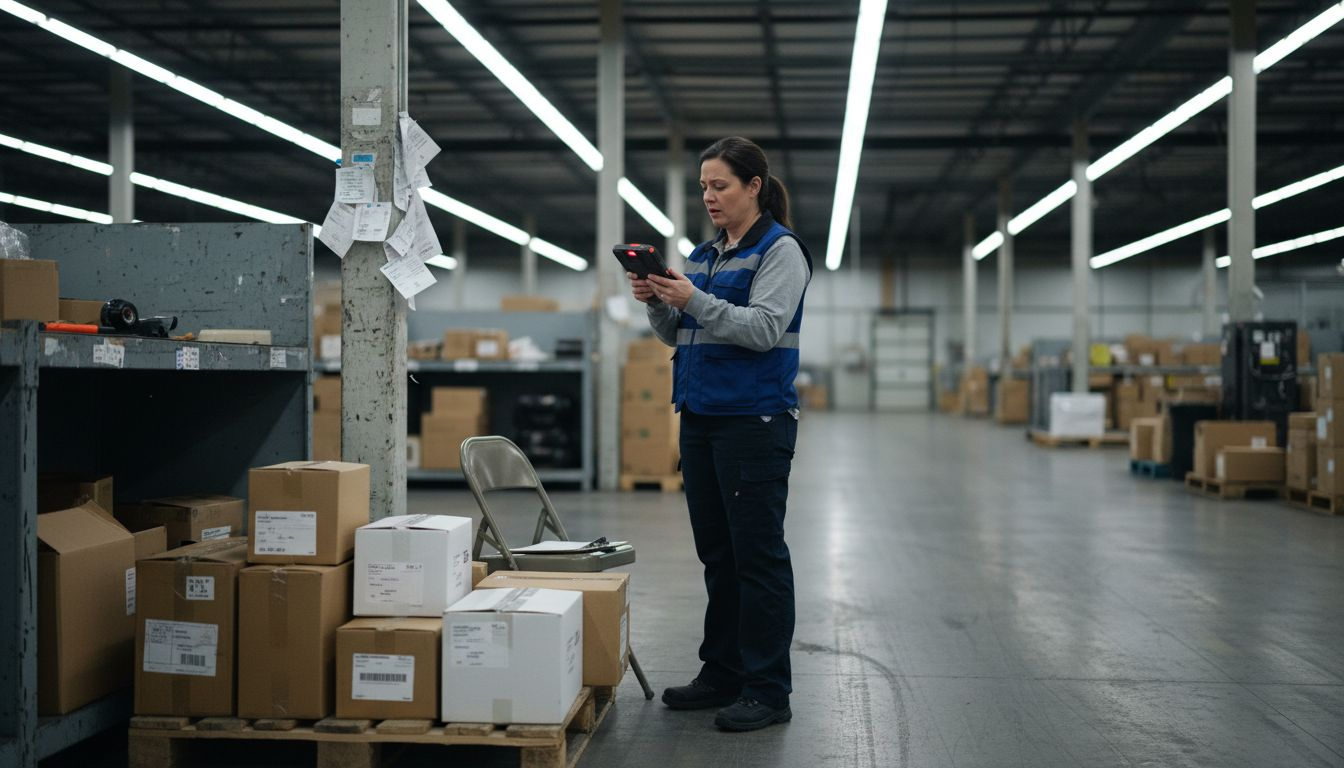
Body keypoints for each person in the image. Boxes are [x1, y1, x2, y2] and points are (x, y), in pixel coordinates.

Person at [627, 136, 812, 732]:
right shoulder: (706, 253)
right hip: (702, 419)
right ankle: (723, 673)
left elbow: (761, 329)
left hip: (754, 423)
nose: (708, 196)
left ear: (754, 186)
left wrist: (694, 298)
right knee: (718, 557)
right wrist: (658, 300)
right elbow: (678, 333)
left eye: (720, 185)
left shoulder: (780, 251)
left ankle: (768, 690)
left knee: (757, 559)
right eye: (703, 186)